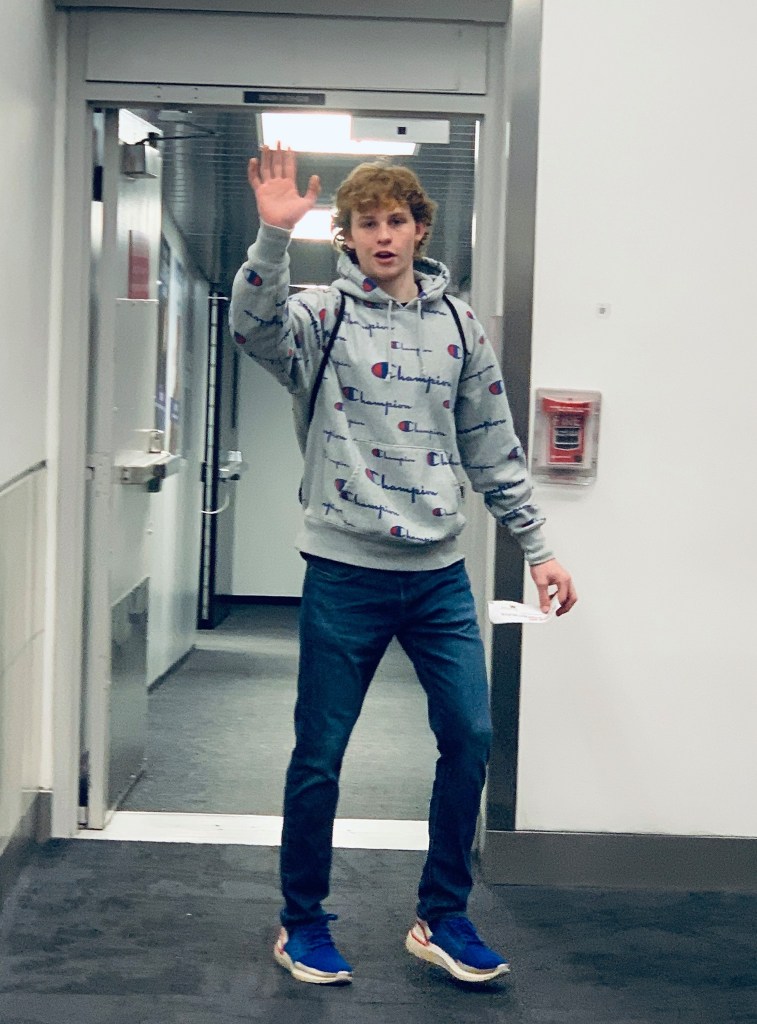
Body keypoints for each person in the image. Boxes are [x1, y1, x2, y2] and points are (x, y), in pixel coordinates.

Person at [230, 144, 577, 987]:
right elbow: (252, 327)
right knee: (320, 754)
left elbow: (491, 447)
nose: (382, 236)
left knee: (470, 736)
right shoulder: (319, 316)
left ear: (419, 229)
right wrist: (273, 237)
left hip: (436, 576)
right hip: (343, 572)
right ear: (346, 237)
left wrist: (538, 548)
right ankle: (301, 923)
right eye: (365, 224)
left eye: (395, 220)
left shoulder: (458, 326)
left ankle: (441, 916)